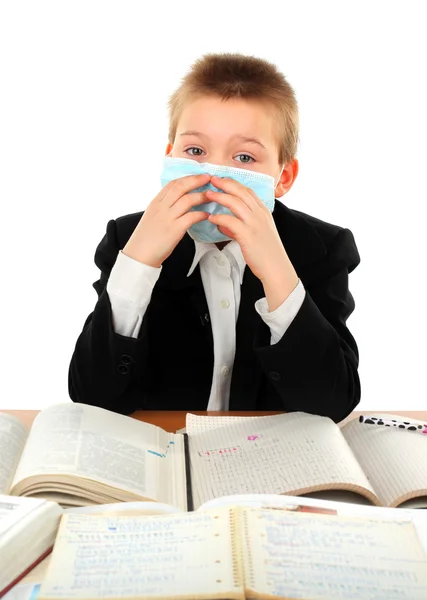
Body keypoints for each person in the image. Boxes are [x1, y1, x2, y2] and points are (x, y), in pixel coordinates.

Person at [68, 52, 361, 423]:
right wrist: (138, 262)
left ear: (283, 177)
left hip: (267, 463)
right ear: (169, 156)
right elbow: (90, 397)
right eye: (194, 151)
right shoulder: (127, 239)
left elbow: (332, 404)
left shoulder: (320, 248)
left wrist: (277, 273)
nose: (214, 174)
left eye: (243, 157)